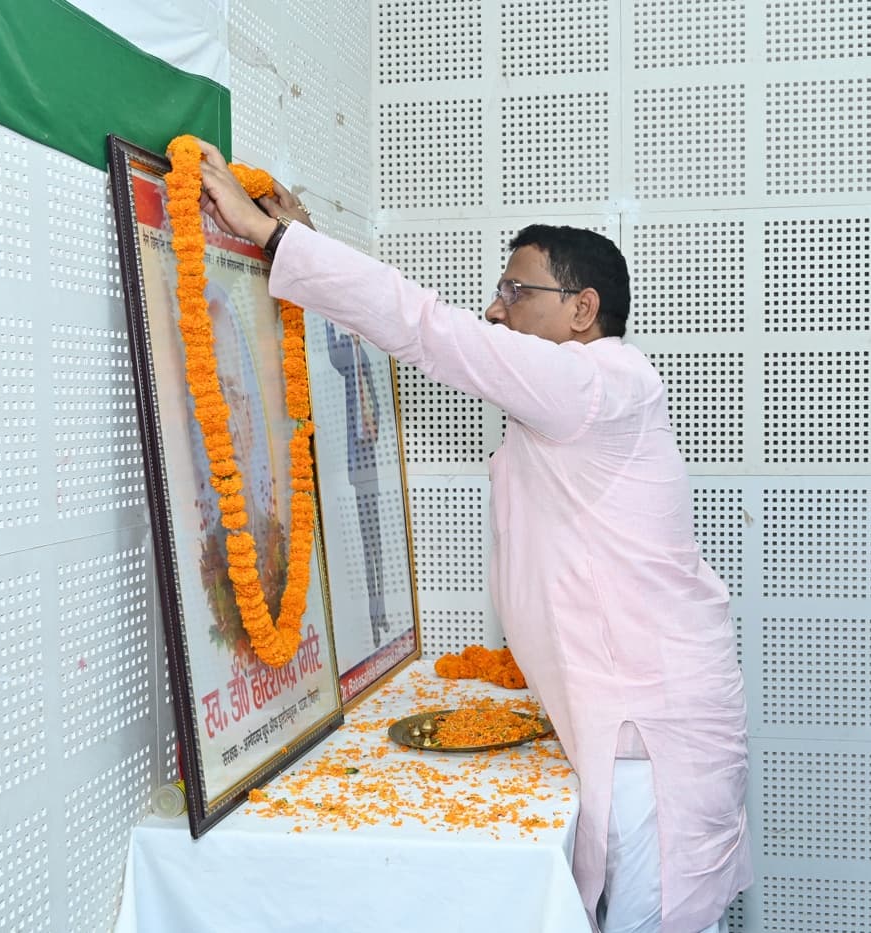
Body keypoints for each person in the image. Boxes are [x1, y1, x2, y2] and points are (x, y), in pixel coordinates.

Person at [195, 140, 751, 933]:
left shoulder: (602, 383)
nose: (495, 309)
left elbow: (432, 332)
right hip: (621, 726)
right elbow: (416, 332)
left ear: (581, 310)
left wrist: (281, 243)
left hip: (651, 748)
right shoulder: (564, 402)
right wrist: (307, 244)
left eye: (515, 291)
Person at [323, 319, 389, 649]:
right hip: (350, 460)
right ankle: (373, 616)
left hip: (370, 454)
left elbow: (374, 398)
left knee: (376, 538)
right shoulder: (343, 357)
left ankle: (381, 611)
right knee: (364, 540)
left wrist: (375, 421)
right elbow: (333, 354)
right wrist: (333, 323)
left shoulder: (362, 357)